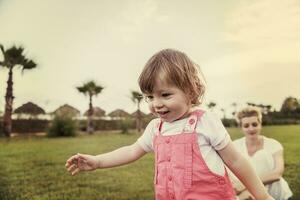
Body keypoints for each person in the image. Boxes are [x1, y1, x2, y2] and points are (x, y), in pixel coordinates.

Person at [65, 49, 274, 200]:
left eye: (165, 95)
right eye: (149, 96)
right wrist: (98, 161)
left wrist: (262, 196)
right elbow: (131, 150)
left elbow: (236, 161)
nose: (156, 104)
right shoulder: (156, 128)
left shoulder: (204, 122)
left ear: (190, 91)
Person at [230, 106, 293, 200]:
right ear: (241, 127)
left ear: (260, 124)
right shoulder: (234, 146)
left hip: (276, 194)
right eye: (246, 126)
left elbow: (277, 174)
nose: (251, 129)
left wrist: (244, 184)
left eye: (254, 124)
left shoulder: (274, 144)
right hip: (249, 195)